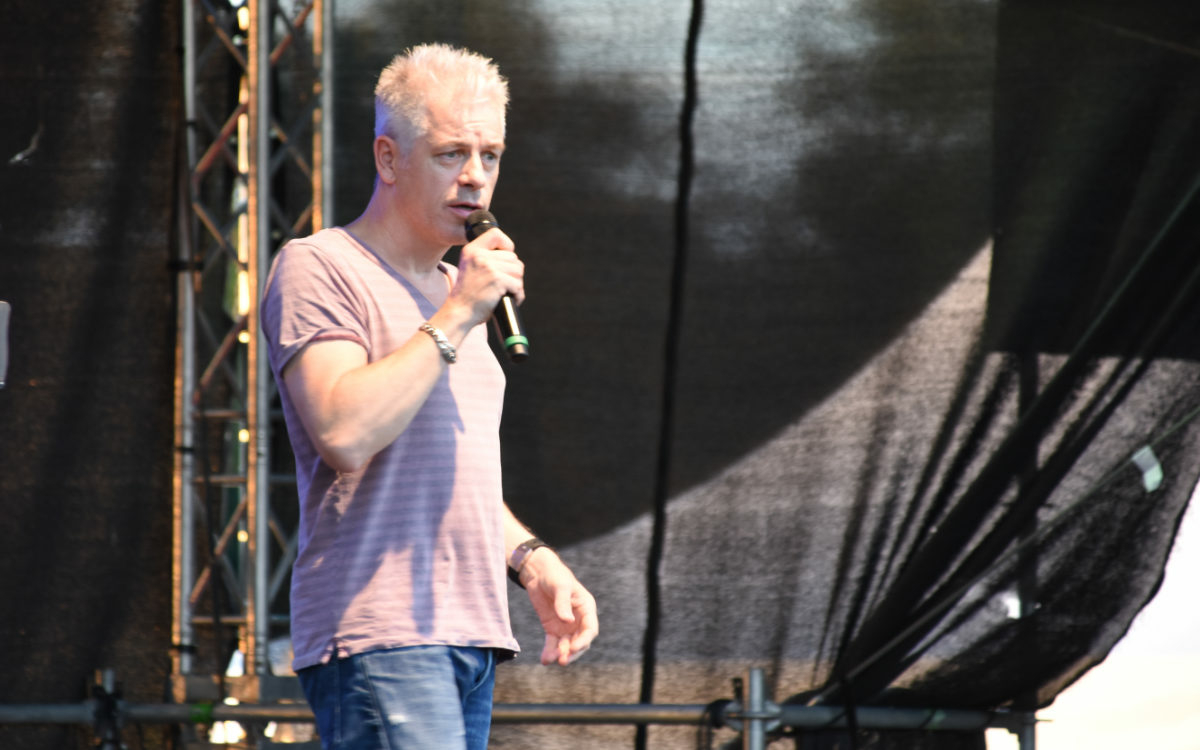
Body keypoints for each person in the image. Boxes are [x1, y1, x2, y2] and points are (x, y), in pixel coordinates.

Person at [260, 43, 598, 750]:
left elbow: (448, 466)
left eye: (491, 155)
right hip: (383, 631)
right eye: (451, 154)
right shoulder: (321, 268)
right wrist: (454, 317)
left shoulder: (460, 292)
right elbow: (344, 431)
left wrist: (532, 560)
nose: (476, 178)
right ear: (389, 158)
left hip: (471, 635)